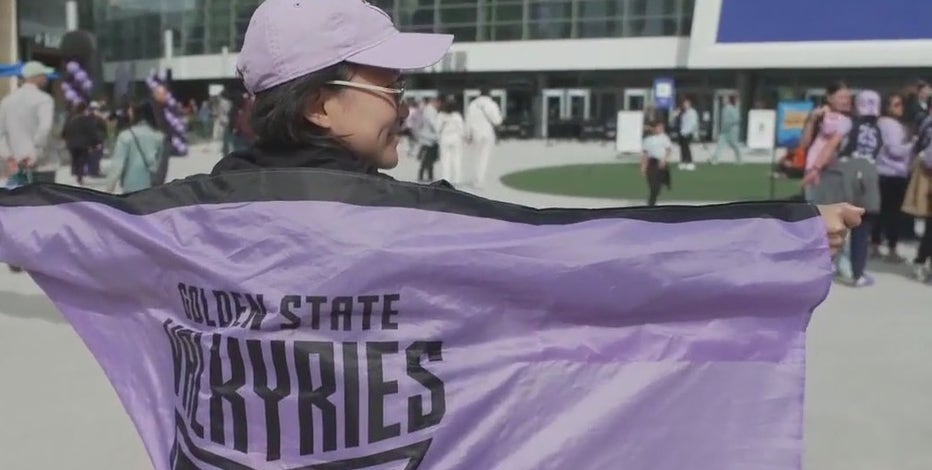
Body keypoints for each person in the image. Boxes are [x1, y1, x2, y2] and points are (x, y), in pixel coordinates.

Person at [806, 90, 884, 287]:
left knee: (836, 220)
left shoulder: (848, 123)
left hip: (847, 171)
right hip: (870, 171)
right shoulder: (878, 127)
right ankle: (858, 273)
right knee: (863, 224)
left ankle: (823, 266)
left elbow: (832, 144)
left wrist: (816, 167)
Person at [872, 92, 914, 262]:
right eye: (896, 105)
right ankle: (891, 249)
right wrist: (913, 145)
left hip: (882, 171)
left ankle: (874, 245)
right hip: (893, 173)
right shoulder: (890, 124)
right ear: (887, 107)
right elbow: (895, 150)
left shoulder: (881, 123)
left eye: (901, 104)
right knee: (893, 214)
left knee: (880, 212)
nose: (900, 108)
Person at [0, 61, 56, 184]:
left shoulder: (7, 100)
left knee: (20, 201)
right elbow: (44, 129)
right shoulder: (44, 99)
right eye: (44, 75)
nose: (46, 78)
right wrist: (35, 153)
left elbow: (1, 133)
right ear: (36, 77)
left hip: (16, 162)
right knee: (43, 201)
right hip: (41, 163)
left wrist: (8, 156)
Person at [105, 102, 164, 194]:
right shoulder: (159, 136)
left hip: (130, 187)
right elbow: (160, 164)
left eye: (131, 111)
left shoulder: (125, 136)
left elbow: (117, 166)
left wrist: (109, 190)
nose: (129, 113)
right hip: (152, 187)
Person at [465, 88, 503, 187]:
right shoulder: (492, 104)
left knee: (476, 157)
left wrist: (468, 134)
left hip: (475, 133)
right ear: (489, 95)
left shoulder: (472, 105)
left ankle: (476, 179)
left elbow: (468, 121)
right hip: (487, 133)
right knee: (484, 157)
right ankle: (480, 180)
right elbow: (497, 121)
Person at [61, 102, 103, 185]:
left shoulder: (71, 119)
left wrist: (66, 139)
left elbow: (64, 132)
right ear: (84, 109)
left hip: (72, 144)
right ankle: (79, 176)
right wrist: (97, 142)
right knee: (82, 159)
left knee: (75, 158)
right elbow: (92, 132)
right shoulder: (87, 120)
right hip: (83, 144)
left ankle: (76, 173)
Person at [641, 120, 673, 206]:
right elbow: (645, 154)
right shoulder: (648, 140)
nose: (660, 129)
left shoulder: (664, 138)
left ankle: (663, 184)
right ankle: (651, 203)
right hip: (652, 163)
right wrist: (643, 167)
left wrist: (664, 160)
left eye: (661, 127)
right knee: (653, 185)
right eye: (658, 127)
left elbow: (668, 150)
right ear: (654, 128)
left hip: (661, 162)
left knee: (658, 184)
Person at [437, 97, 465, 184]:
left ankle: (446, 179)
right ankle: (457, 179)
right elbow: (462, 129)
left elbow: (437, 128)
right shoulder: (457, 116)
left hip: (445, 138)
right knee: (456, 159)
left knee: (445, 160)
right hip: (456, 138)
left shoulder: (441, 115)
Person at [711, 94, 742, 164]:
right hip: (724, 132)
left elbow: (737, 119)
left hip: (732, 131)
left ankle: (739, 159)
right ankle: (714, 159)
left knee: (735, 145)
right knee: (719, 145)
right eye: (723, 99)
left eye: (725, 99)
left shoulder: (732, 109)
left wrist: (729, 123)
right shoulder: (724, 109)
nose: (723, 101)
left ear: (728, 100)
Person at [416, 96, 440, 182]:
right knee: (427, 159)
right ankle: (423, 176)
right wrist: (440, 131)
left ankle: (428, 175)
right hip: (429, 138)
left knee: (429, 160)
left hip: (428, 137)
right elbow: (434, 123)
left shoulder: (427, 109)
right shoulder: (430, 110)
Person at [674, 98, 698, 170]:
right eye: (684, 104)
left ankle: (690, 162)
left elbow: (694, 123)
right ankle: (683, 162)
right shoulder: (683, 113)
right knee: (682, 148)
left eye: (686, 104)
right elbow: (676, 118)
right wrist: (677, 112)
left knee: (687, 147)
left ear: (689, 104)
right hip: (682, 132)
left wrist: (691, 131)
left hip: (688, 132)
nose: (685, 105)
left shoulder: (692, 112)